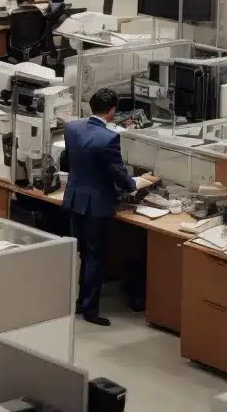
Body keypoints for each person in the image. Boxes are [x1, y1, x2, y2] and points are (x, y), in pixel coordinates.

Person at [60, 88, 157, 326]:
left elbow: (73, 162)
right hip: (95, 206)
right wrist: (136, 183)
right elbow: (119, 176)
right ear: (112, 110)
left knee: (83, 253)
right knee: (95, 257)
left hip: (74, 199)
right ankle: (90, 309)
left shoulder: (72, 128)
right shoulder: (109, 138)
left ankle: (80, 301)